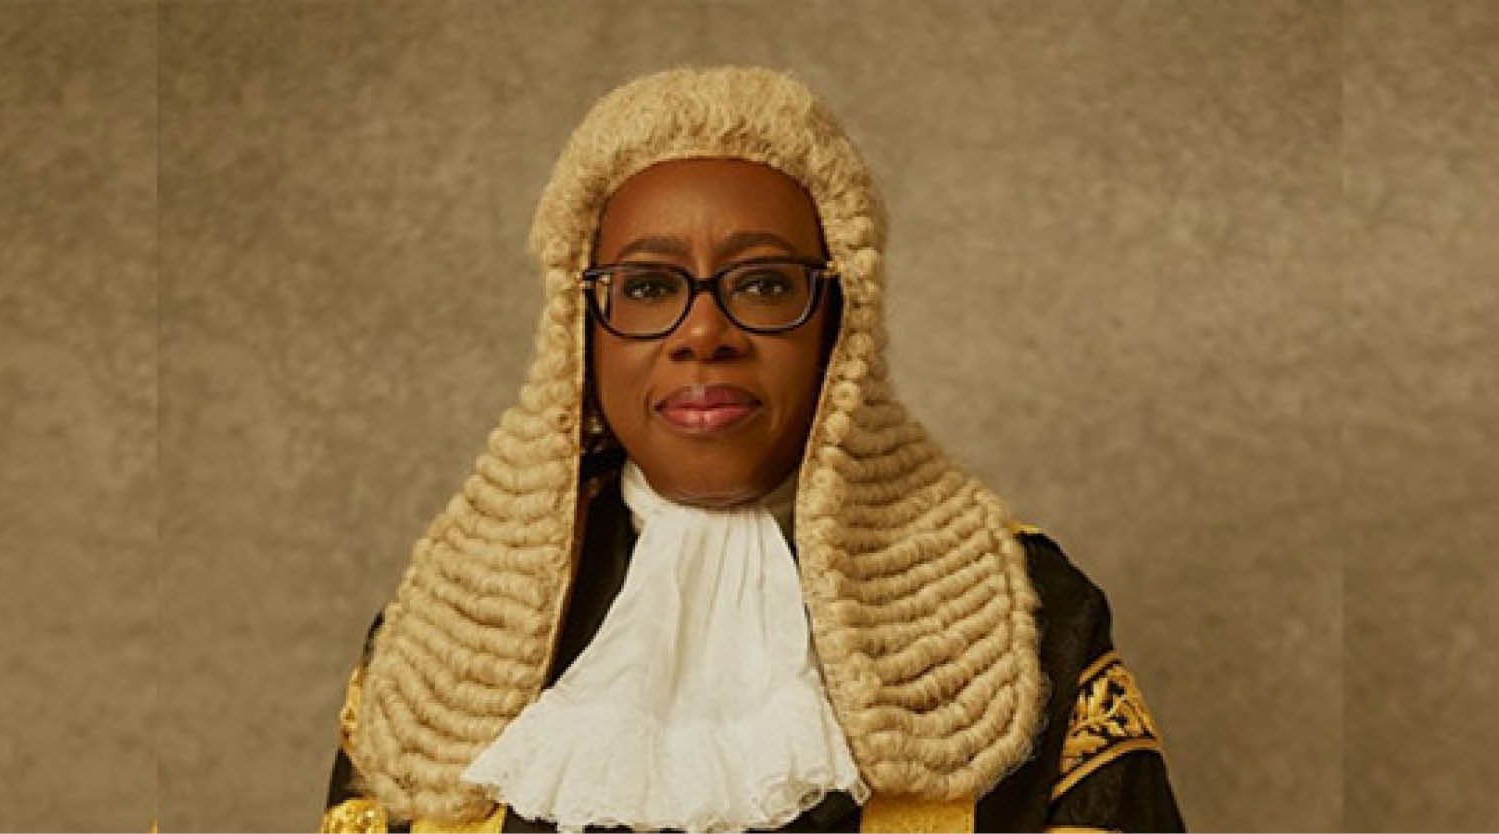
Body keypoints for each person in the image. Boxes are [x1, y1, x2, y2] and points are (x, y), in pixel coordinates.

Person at [321, 66, 1184, 834]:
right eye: (648, 286)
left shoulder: (1034, 616)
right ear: (579, 333)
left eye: (765, 283)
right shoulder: (438, 633)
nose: (704, 331)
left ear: (840, 325)